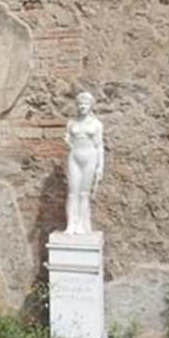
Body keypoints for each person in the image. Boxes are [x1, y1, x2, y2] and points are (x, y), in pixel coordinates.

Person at [64, 91, 104, 234]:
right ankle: (70, 224)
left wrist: (100, 166)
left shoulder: (97, 124)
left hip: (90, 157)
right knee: (72, 193)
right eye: (80, 104)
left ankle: (81, 224)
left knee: (83, 193)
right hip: (74, 157)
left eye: (85, 104)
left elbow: (99, 146)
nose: (82, 106)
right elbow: (68, 139)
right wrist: (66, 142)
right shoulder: (71, 123)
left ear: (90, 106)